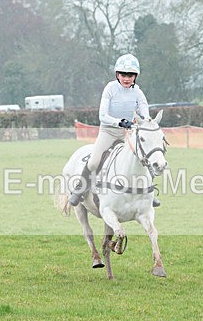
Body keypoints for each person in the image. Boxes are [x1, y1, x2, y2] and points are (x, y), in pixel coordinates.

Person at [68, 53, 160, 207]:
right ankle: (79, 189)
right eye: (123, 74)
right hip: (108, 132)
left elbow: (145, 113)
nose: (126, 78)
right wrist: (119, 122)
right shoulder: (110, 88)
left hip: (128, 133)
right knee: (94, 162)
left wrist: (146, 121)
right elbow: (102, 115)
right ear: (117, 75)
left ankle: (149, 192)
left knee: (144, 158)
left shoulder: (138, 92)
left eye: (130, 75)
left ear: (135, 76)